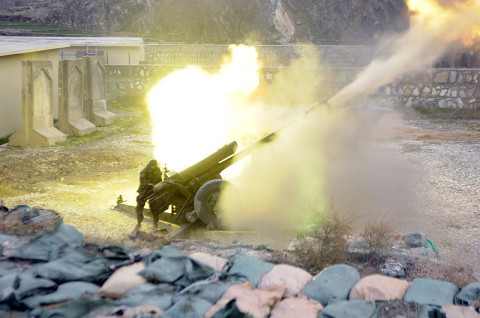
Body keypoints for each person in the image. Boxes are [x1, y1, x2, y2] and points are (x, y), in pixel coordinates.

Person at [135, 159, 162, 229]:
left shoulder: (158, 170)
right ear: (150, 165)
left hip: (153, 190)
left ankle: (155, 223)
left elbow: (159, 179)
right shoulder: (144, 171)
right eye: (152, 166)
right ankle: (139, 222)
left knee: (155, 207)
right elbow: (142, 179)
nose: (153, 167)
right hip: (144, 190)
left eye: (154, 166)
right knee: (140, 206)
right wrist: (148, 183)